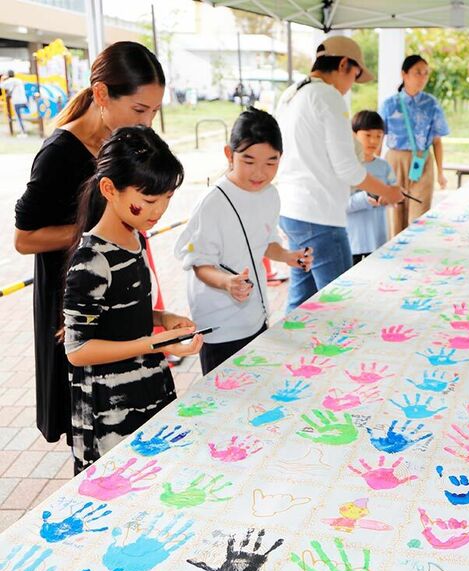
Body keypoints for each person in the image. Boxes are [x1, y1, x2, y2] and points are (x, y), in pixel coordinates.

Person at [14, 41, 165, 446]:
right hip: (74, 303)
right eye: (139, 110)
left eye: (153, 111)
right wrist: (97, 233)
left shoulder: (121, 142)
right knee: (91, 423)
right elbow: (23, 239)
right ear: (101, 94)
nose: (148, 121)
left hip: (116, 295)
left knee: (130, 413)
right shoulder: (58, 154)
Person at [63, 126, 201, 473]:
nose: (160, 210)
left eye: (167, 198)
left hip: (147, 384)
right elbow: (77, 351)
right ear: (109, 189)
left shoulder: (133, 236)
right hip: (109, 407)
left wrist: (163, 318)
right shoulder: (92, 258)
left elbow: (123, 310)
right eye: (150, 200)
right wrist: (152, 344)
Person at [175, 108, 311, 375]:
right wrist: (227, 283)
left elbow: (265, 242)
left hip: (255, 315)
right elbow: (199, 264)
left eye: (270, 163)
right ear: (229, 154)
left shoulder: (270, 195)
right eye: (249, 161)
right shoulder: (212, 203)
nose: (259, 172)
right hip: (220, 325)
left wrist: (289, 256)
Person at [275, 35, 404, 312]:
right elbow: (347, 169)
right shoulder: (327, 95)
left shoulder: (292, 92)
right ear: (344, 64)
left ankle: (289, 352)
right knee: (339, 304)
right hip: (319, 216)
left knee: (301, 300)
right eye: (354, 76)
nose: (349, 88)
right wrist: (388, 191)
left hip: (291, 211)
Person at [379, 54, 450, 236]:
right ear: (404, 74)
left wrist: (441, 172)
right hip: (394, 161)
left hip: (423, 160)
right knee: (395, 212)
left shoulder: (432, 104)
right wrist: (376, 169)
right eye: (418, 72)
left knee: (419, 214)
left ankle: (415, 256)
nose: (422, 77)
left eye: (426, 73)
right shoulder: (389, 104)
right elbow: (378, 138)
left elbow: (437, 140)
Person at [347, 110, 396, 264]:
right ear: (354, 135)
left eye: (378, 136)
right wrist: (365, 199)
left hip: (377, 240)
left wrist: (389, 198)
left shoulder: (384, 166)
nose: (373, 141)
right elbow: (340, 204)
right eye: (367, 135)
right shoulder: (347, 167)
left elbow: (393, 191)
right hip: (352, 241)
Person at [1, 69, 28, 135]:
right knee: (22, 116)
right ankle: (24, 130)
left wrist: (3, 79)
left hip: (17, 102)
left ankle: (23, 132)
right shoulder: (18, 80)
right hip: (24, 100)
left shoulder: (9, 81)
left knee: (19, 118)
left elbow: (1, 86)